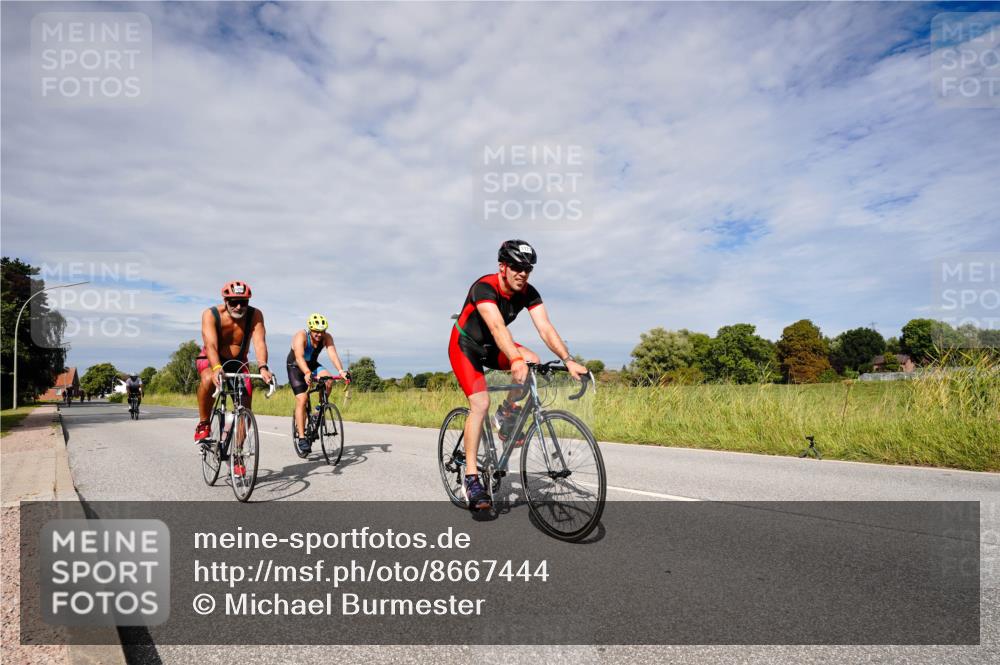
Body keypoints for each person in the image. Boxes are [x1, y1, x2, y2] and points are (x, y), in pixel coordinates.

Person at [448, 240, 587, 511]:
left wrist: (568, 360)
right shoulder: (484, 288)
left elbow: (545, 327)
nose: (522, 273)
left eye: (527, 268)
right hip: (466, 347)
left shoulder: (528, 292)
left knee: (532, 361)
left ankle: (506, 414)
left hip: (494, 347)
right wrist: (514, 358)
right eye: (516, 267)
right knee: (480, 404)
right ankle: (471, 478)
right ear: (502, 267)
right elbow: (497, 326)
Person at [193, 281, 274, 447]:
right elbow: (211, 345)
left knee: (245, 407)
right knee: (208, 379)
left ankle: (238, 453)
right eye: (233, 302)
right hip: (211, 359)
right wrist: (216, 368)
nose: (238, 306)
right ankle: (203, 424)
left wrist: (263, 367)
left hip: (238, 363)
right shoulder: (211, 314)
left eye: (243, 302)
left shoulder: (255, 315)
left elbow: (259, 343)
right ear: (225, 300)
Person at [286, 313, 351, 457]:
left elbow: (332, 354)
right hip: (296, 366)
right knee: (302, 399)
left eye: (322, 331)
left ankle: (317, 413)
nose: (319, 334)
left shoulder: (327, 337)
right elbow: (299, 357)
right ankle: (302, 437)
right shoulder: (301, 336)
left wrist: (341, 371)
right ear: (310, 329)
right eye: (316, 331)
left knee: (328, 380)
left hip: (312, 365)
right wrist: (307, 372)